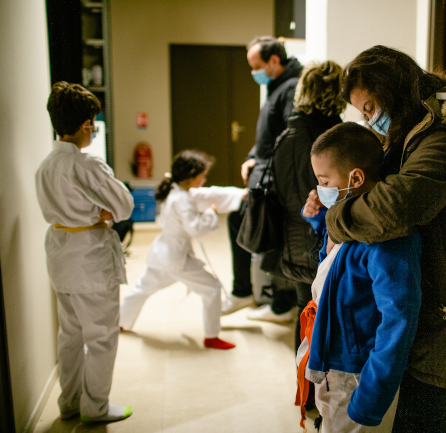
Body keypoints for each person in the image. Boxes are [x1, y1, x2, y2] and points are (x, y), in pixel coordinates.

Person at [323, 46, 446, 432]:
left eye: (369, 108)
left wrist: (336, 217)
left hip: (445, 297)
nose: (369, 120)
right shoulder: (410, 132)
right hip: (428, 290)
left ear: (391, 91)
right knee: (417, 411)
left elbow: (396, 205)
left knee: (420, 415)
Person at [296, 122, 422, 432]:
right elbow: (338, 266)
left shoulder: (387, 239)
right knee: (329, 421)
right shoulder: (346, 216)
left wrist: (371, 396)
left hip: (358, 373)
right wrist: (317, 222)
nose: (319, 188)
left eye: (324, 180)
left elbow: (398, 321)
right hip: (331, 355)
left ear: (355, 178)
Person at [35, 81, 134, 422]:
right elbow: (123, 206)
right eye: (92, 122)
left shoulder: (45, 165)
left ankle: (70, 403)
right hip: (90, 258)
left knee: (70, 335)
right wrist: (101, 212)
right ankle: (96, 407)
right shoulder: (87, 165)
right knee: (102, 336)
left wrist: (94, 211)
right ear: (84, 125)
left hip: (60, 256)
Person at [119, 150, 246, 350]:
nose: (204, 179)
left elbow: (209, 193)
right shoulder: (183, 199)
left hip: (162, 253)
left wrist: (239, 195)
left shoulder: (175, 190)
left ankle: (121, 321)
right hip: (175, 258)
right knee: (211, 289)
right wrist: (211, 213)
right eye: (201, 175)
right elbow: (194, 228)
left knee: (142, 288)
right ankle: (211, 336)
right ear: (190, 177)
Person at [222, 36, 303, 321]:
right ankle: (273, 299)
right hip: (264, 172)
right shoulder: (277, 86)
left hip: (272, 180)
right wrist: (251, 157)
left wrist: (261, 163)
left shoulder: (291, 88)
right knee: (256, 229)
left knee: (246, 224)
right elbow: (267, 136)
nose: (253, 72)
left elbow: (287, 140)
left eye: (256, 66)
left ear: (274, 61)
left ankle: (254, 295)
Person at [272, 60, 345, 354]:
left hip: (291, 240)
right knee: (330, 319)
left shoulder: (284, 138)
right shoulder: (336, 139)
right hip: (324, 242)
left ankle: (306, 392)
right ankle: (324, 392)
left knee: (306, 316)